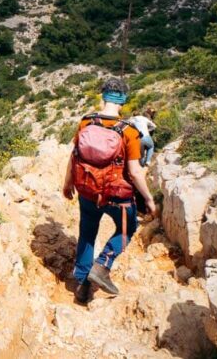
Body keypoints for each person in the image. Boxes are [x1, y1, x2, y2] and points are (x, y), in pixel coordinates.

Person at [62, 76, 158, 303]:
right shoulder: (129, 131)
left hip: (87, 190)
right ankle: (103, 266)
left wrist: (68, 183)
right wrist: (149, 198)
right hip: (117, 196)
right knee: (127, 228)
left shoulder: (86, 122)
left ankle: (83, 285)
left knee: (87, 234)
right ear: (123, 100)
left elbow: (74, 155)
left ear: (103, 96)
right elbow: (134, 172)